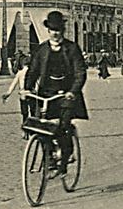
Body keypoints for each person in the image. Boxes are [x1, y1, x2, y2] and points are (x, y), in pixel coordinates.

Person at [24, 11, 88, 178]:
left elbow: (80, 72)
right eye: (52, 29)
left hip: (66, 95)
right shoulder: (42, 49)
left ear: (63, 30)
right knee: (43, 127)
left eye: (58, 29)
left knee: (63, 127)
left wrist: (73, 91)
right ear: (48, 30)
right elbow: (33, 71)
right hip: (46, 94)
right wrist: (27, 89)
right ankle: (50, 158)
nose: (55, 33)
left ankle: (64, 161)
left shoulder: (72, 49)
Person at [3, 55, 36, 138]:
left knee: (24, 114)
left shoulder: (20, 73)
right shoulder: (34, 73)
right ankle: (32, 130)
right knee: (33, 113)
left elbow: (13, 84)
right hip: (32, 94)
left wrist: (8, 94)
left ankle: (25, 132)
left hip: (23, 94)